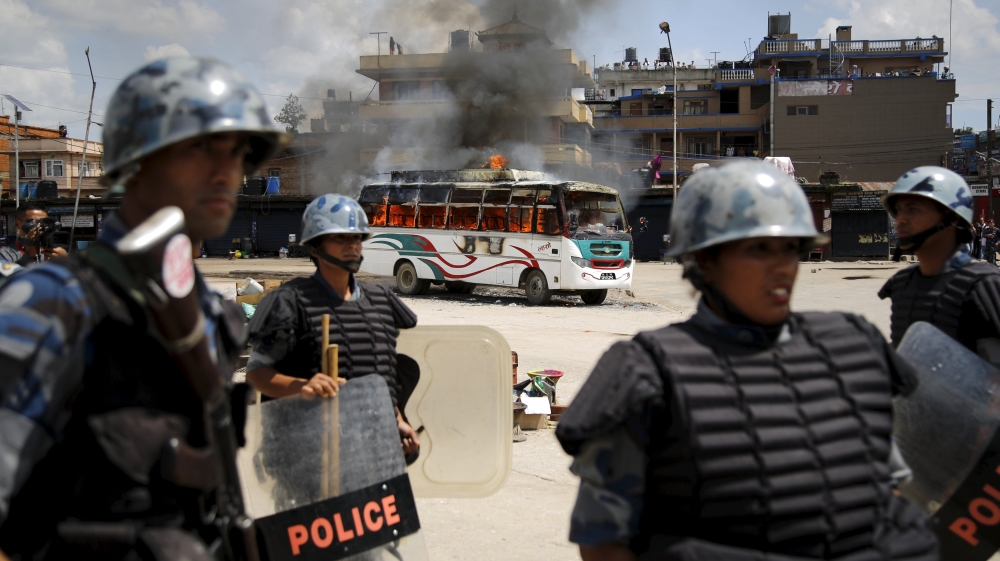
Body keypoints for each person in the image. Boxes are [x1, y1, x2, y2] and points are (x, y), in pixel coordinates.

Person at [556, 161, 937, 561]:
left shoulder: (853, 346)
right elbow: (603, 542)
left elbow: (889, 487)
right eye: (757, 249)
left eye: (790, 248)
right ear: (705, 260)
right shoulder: (649, 372)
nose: (781, 266)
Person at [0, 56, 289, 558]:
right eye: (202, 149)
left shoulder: (211, 317)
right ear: (138, 160)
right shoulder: (58, 301)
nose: (228, 172)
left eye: (239, 152)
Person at [246, 194, 420, 457]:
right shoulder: (290, 302)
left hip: (372, 453)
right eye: (339, 238)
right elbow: (257, 373)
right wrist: (300, 387)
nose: (351, 246)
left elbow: (381, 376)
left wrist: (397, 421)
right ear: (314, 247)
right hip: (308, 454)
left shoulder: (381, 301)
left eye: (356, 238)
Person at [878, 167, 1000, 357]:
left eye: (913, 209)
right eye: (898, 211)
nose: (900, 220)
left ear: (951, 217)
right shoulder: (902, 283)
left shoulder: (986, 285)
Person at [0, 202, 67, 265]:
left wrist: (66, 261)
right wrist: (30, 255)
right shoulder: (5, 254)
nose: (39, 226)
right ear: (17, 224)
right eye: (33, 222)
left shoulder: (55, 252)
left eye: (44, 222)